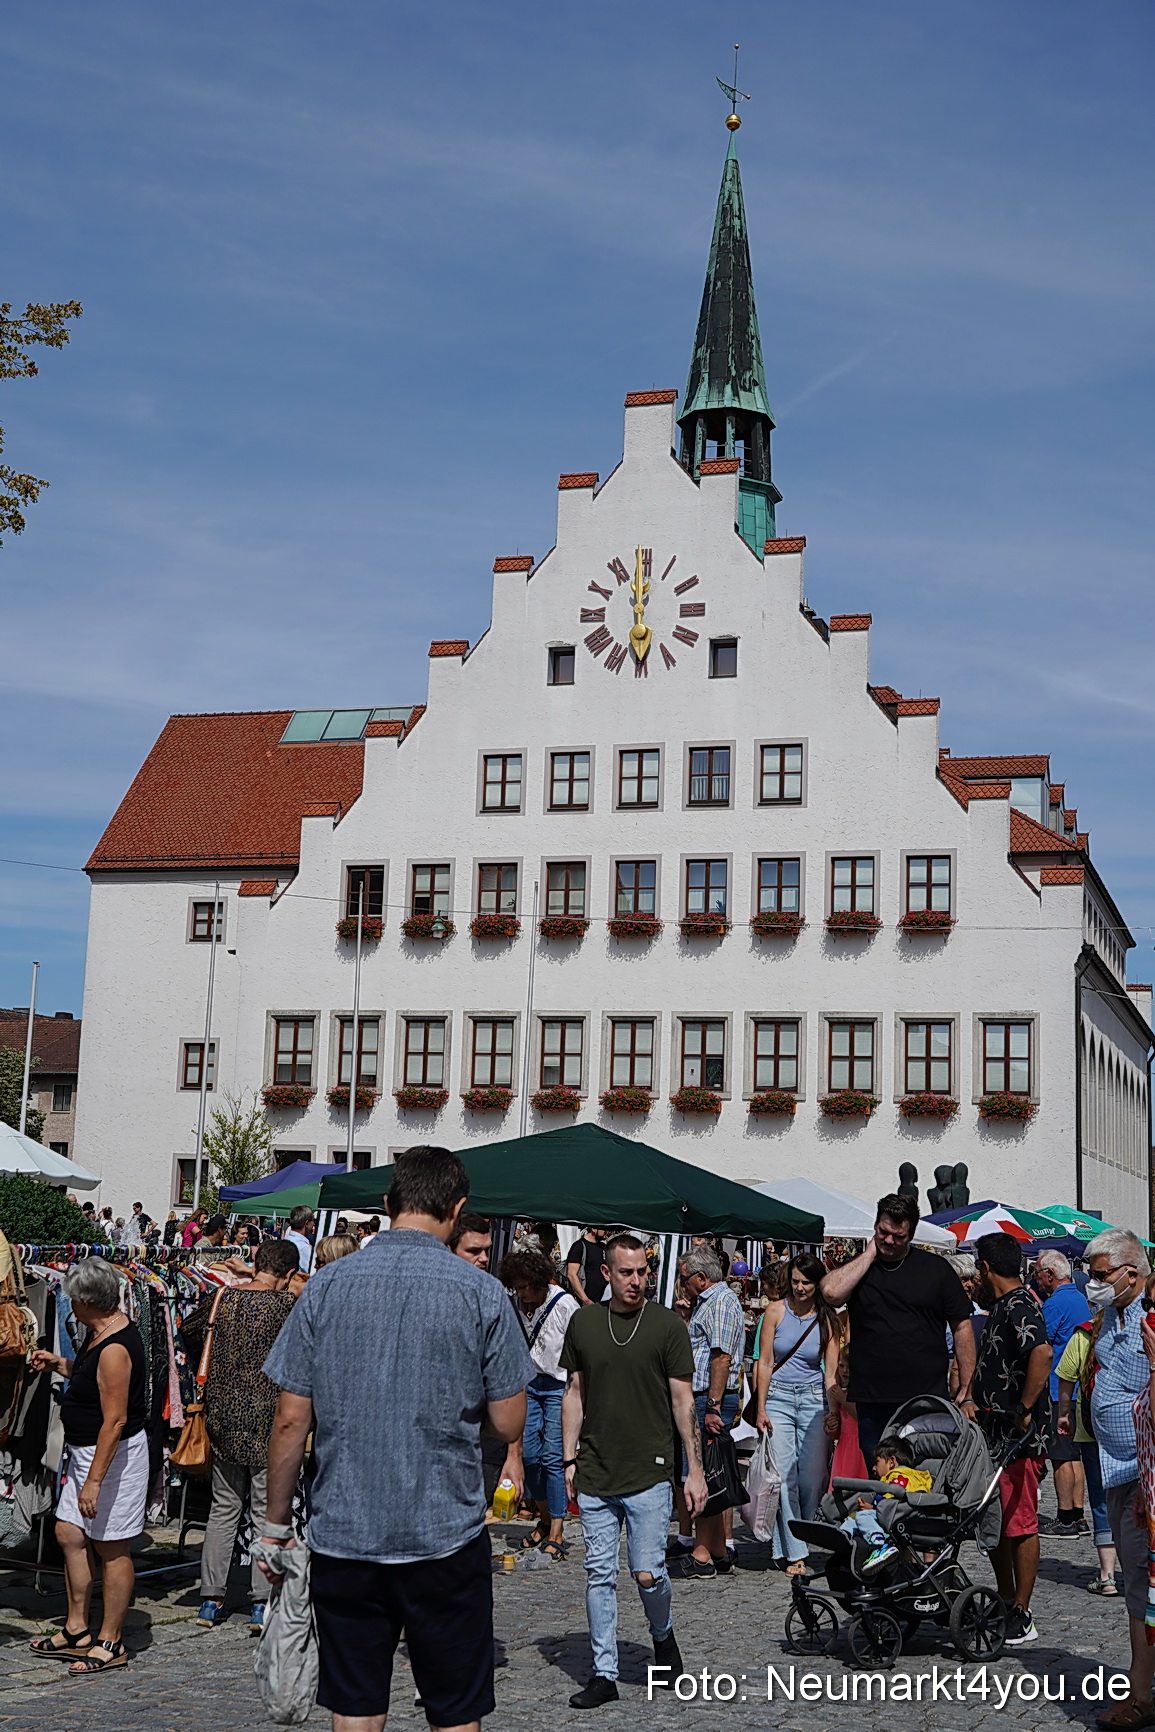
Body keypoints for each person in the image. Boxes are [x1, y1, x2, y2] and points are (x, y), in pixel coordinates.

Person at [259, 1146, 533, 1732]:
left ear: (387, 1204)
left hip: (345, 1529)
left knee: (356, 1705)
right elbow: (510, 1424)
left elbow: (289, 1419)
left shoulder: (325, 1287)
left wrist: (275, 1526)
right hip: (445, 1531)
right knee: (455, 1709)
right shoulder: (481, 1293)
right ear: (458, 1210)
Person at [560, 1233, 705, 1710]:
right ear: (606, 1273)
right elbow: (575, 1394)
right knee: (598, 1573)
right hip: (597, 1469)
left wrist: (694, 1470)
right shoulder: (583, 1324)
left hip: (649, 1469)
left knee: (647, 1573)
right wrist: (568, 1458)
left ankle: (662, 1636)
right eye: (627, 1272)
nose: (637, 1281)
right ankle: (604, 1673)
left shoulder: (666, 1325)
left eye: (643, 1271)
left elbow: (684, 1402)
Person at [27, 1260, 148, 1674]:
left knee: (111, 1546)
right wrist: (59, 1364)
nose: (70, 1307)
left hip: (111, 1459)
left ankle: (111, 1640)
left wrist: (93, 1482)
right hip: (85, 1453)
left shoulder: (115, 1348)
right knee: (68, 1531)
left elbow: (114, 1420)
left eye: (73, 1300)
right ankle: (77, 1628)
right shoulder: (99, 1334)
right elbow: (89, 1382)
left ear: (86, 1301)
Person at [182, 1240, 299, 1633]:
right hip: (271, 1417)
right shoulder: (285, 1306)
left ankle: (211, 1599)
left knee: (223, 1508)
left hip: (223, 1414)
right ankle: (260, 1603)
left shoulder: (223, 1299)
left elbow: (188, 1330)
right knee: (267, 1510)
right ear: (286, 1274)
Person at [822, 1193, 975, 1465]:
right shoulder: (861, 1270)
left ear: (912, 1234)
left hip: (924, 1397)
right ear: (875, 1226)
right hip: (872, 1397)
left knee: (923, 1475)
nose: (889, 1240)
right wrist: (869, 1254)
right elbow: (831, 1292)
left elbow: (962, 1326)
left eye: (898, 1235)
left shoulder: (936, 1270)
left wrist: (966, 1388)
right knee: (878, 1475)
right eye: (883, 1232)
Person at [1082, 1227, 1154, 1730]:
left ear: (1132, 1273)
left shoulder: (1151, 1315)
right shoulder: (1117, 1311)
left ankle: (1142, 1696)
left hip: (1144, 1472)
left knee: (1142, 1587)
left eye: (1101, 1275)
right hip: (1118, 1463)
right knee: (1136, 1582)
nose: (1094, 1282)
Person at [969, 1231, 1052, 1647]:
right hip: (996, 1435)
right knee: (996, 1522)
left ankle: (1021, 1609)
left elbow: (1042, 1353)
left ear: (986, 1268)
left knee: (1019, 1523)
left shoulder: (1020, 1304)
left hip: (1018, 1437)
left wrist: (1023, 1408)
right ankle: (1005, 1598)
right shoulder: (1004, 1304)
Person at [755, 1251, 843, 1576]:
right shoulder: (775, 1311)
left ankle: (791, 1540)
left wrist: (833, 1412)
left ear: (817, 1283)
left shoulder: (827, 1320)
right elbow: (764, 1362)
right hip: (778, 1397)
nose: (800, 1288)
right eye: (795, 1282)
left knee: (812, 1479)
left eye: (806, 1282)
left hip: (813, 1400)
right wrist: (761, 1406)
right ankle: (796, 1553)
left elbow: (831, 1375)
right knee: (785, 1476)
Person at [668, 1243, 746, 1579]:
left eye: (685, 1278)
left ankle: (701, 1554)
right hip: (702, 1396)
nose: (682, 1284)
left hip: (709, 1399)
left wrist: (713, 1406)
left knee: (702, 1474)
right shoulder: (709, 1303)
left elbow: (721, 1358)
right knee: (707, 1472)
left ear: (701, 1277)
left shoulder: (721, 1302)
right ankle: (715, 1550)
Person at [500, 1249, 579, 1559]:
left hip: (559, 1385)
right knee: (529, 1456)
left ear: (537, 1281)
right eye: (516, 1287)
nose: (520, 1293)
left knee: (552, 1457)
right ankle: (544, 1518)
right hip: (530, 1384)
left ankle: (557, 1527)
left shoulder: (564, 1304)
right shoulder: (518, 1305)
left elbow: (577, 1350)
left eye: (524, 1287)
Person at [1056, 1313, 1118, 1594]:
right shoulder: (1139, 1326)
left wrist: (1064, 1414)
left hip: (1093, 1427)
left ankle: (1106, 1576)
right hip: (1137, 1427)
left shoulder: (1085, 1332)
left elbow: (1067, 1377)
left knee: (1101, 1498)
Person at [1035, 1248, 1092, 1537]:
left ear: (1050, 1275)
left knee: (1060, 1457)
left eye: (1038, 1273)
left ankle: (1065, 1517)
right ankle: (1079, 1516)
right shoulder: (1081, 1298)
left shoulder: (1054, 1304)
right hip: (1080, 1388)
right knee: (1075, 1455)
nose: (1037, 1279)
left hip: (1060, 1389)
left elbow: (1040, 1343)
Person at [836, 1439, 934, 1577]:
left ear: (892, 1462)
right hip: (893, 1514)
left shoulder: (900, 1476)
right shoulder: (905, 1476)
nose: (874, 1468)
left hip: (897, 1517)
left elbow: (894, 1498)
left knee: (863, 1516)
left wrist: (873, 1507)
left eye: (877, 1462)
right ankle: (842, 1536)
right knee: (855, 1518)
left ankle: (880, 1545)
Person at [567, 1225, 609, 1307]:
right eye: (603, 1228)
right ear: (593, 1229)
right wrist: (585, 1300)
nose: (606, 1231)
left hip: (603, 1302)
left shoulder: (603, 1247)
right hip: (587, 1304)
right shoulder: (579, 1246)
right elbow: (571, 1275)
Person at [283, 1206, 315, 1271]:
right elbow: (313, 1273)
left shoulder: (285, 1241)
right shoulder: (304, 1248)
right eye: (313, 1220)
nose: (314, 1223)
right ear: (306, 1223)